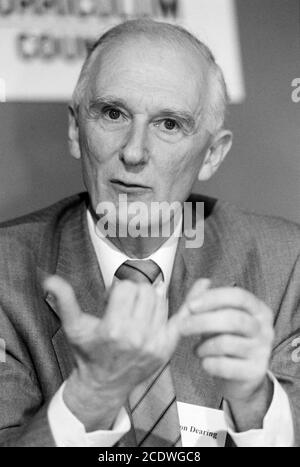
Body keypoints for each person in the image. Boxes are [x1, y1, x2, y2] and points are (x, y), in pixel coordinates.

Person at [0, 19, 299, 448]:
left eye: (169, 124)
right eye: (113, 113)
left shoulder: (286, 265)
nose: (134, 152)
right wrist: (88, 401)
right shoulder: (5, 273)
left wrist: (256, 404)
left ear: (213, 154)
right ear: (74, 129)